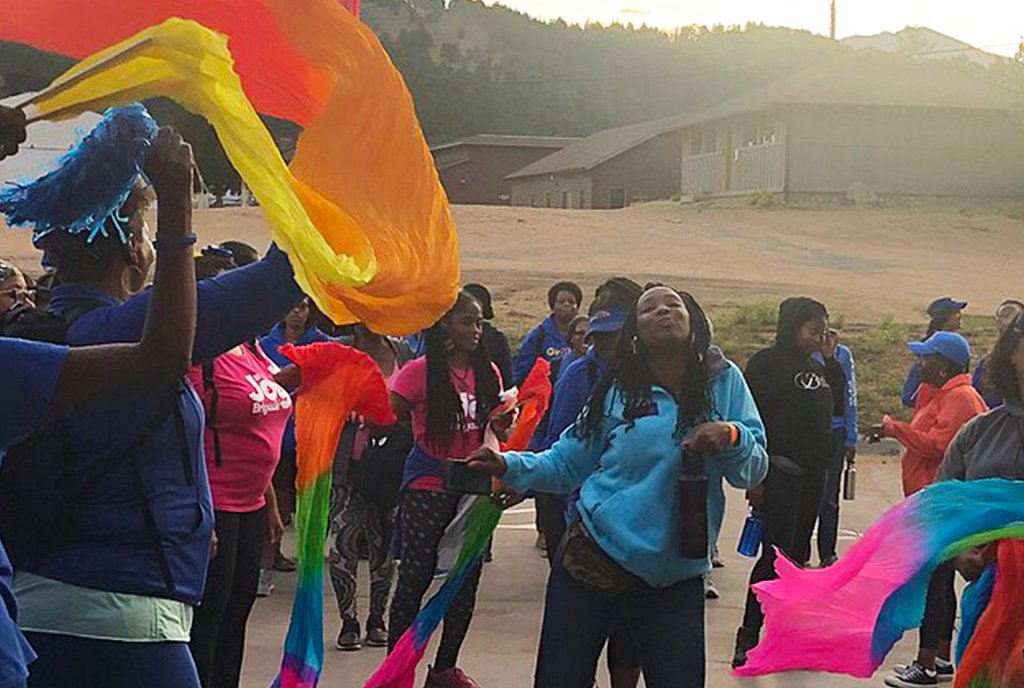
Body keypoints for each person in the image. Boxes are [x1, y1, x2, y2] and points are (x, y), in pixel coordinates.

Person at [8, 125, 304, 687]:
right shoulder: (126, 329)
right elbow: (282, 275)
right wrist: (310, 167)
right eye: (142, 232)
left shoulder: (40, 334)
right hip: (120, 622)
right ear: (134, 248)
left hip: (43, 609)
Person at [466, 286, 767, 688]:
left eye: (673, 304)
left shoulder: (724, 381)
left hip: (676, 573)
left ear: (693, 321)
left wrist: (732, 435)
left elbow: (752, 470)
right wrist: (508, 463)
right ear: (635, 334)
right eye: (648, 309)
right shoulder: (618, 388)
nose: (663, 311)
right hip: (594, 561)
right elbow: (567, 463)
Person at [0, 110, 197, 688]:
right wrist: (177, 207)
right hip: (122, 626)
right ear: (135, 250)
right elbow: (159, 359)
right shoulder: (11, 364)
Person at [387, 292, 511, 688]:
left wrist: (507, 425)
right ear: (443, 325)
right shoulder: (417, 372)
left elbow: (494, 428)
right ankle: (398, 667)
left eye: (479, 323)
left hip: (474, 487)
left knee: (464, 579)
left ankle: (443, 669)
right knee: (416, 577)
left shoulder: (489, 371)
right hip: (428, 485)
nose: (476, 331)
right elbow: (389, 414)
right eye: (467, 322)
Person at [185, 261, 292, 688]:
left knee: (237, 614)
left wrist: (268, 500)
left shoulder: (248, 346)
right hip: (215, 504)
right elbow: (185, 434)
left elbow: (258, 414)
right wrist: (199, 513)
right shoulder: (198, 355)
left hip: (250, 505)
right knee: (208, 620)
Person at [733, 297, 846, 668]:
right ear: (791, 327)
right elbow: (751, 422)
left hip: (814, 475)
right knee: (773, 557)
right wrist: (757, 477)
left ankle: (786, 637)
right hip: (780, 472)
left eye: (822, 331)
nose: (818, 338)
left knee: (797, 559)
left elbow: (839, 409)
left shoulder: (821, 367)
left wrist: (830, 361)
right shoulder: (766, 365)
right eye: (812, 331)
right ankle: (748, 634)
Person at [879, 332, 987, 688]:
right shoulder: (942, 393)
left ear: (945, 365)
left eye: (927, 358)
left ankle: (924, 665)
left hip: (943, 503)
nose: (920, 363)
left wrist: (895, 429)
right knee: (941, 582)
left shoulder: (960, 398)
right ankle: (940, 658)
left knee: (935, 581)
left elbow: (937, 445)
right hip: (932, 500)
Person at [330, 324, 413, 652]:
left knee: (383, 547)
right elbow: (315, 395)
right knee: (341, 545)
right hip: (345, 468)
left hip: (388, 467)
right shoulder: (339, 352)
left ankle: (377, 619)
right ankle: (348, 621)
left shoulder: (402, 353)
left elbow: (415, 401)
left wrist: (388, 416)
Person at [259, 298, 334, 589]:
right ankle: (268, 560)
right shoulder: (266, 344)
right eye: (291, 305)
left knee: (310, 501)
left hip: (311, 435)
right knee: (275, 500)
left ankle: (308, 561)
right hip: (274, 435)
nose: (296, 312)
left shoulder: (323, 344)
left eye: (303, 306)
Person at [812, 341, 858, 568]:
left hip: (836, 430)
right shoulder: (800, 353)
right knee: (807, 492)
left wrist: (852, 434)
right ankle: (799, 550)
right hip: (808, 429)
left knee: (830, 496)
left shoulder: (842, 354)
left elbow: (849, 395)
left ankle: (827, 552)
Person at [513, 280, 583, 385]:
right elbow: (522, 372)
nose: (566, 305)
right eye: (561, 301)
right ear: (552, 305)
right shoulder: (538, 336)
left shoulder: (584, 335)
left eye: (571, 302)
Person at [901, 298, 967, 408]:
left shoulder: (956, 343)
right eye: (955, 313)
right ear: (944, 319)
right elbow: (910, 397)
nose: (960, 315)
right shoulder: (934, 351)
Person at [972, 299, 1024, 409]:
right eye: (1000, 316)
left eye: (1009, 315)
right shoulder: (986, 364)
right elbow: (975, 394)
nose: (1003, 321)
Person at [462, 283, 513, 385]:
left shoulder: (497, 340)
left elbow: (507, 382)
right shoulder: (439, 342)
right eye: (466, 322)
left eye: (478, 323)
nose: (474, 330)